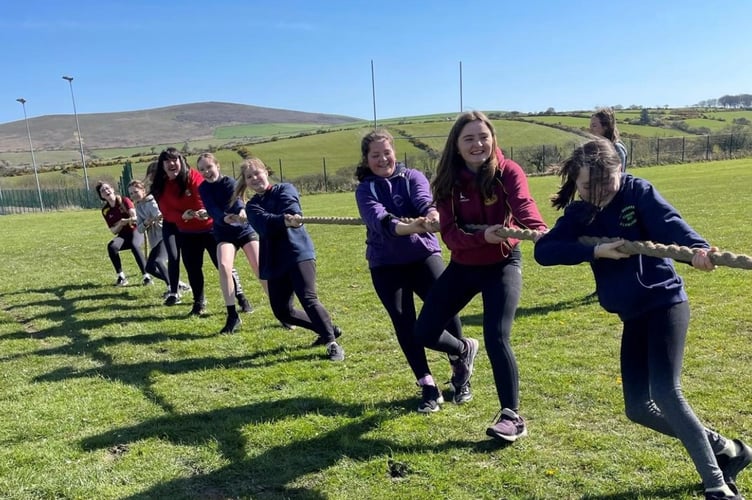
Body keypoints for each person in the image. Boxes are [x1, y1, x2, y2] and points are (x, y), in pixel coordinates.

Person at [534, 137, 751, 500]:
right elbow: (545, 250)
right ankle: (725, 448)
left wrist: (697, 248)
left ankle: (717, 485)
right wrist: (595, 250)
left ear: (620, 169)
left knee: (666, 392)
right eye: (587, 186)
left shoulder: (637, 193)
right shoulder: (581, 211)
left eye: (605, 183)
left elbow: (670, 225)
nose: (597, 193)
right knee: (638, 408)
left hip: (665, 303)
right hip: (632, 314)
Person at [414, 111, 548, 440]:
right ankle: (461, 350)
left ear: (493, 139)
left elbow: (523, 204)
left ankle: (511, 416)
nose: (478, 144)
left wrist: (538, 229)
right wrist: (480, 238)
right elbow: (449, 235)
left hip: (503, 262)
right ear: (457, 146)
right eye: (469, 138)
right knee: (425, 331)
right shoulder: (447, 181)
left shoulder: (507, 171)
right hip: (464, 264)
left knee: (496, 336)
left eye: (483, 137)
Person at [355, 129, 463, 412]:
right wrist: (409, 227)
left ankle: (459, 365)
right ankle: (427, 384)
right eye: (375, 155)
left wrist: (431, 214)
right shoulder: (365, 189)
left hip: (422, 255)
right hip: (385, 264)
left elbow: (423, 200)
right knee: (405, 323)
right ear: (366, 160)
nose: (382, 159)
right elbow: (380, 219)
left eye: (386, 153)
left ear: (395, 152)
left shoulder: (412, 176)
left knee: (445, 309)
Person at [232, 157, 344, 361]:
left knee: (308, 298)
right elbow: (264, 224)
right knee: (282, 311)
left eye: (257, 173)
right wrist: (283, 220)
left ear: (266, 171)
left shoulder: (285, 189)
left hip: (298, 252)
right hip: (274, 259)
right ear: (246, 182)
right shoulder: (252, 206)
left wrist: (288, 217)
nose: (255, 178)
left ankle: (331, 343)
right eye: (249, 177)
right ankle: (328, 328)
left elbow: (291, 208)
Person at [149, 148, 252, 316]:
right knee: (193, 268)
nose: (171, 164)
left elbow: (208, 197)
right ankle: (199, 303)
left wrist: (205, 211)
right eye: (166, 161)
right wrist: (181, 216)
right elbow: (165, 211)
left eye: (174, 160)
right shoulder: (161, 185)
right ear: (162, 166)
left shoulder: (194, 177)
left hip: (211, 229)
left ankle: (241, 298)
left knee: (223, 266)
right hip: (187, 232)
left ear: (181, 161)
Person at [196, 152, 264, 334]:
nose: (206, 172)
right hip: (223, 232)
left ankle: (281, 310)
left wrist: (241, 212)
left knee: (259, 268)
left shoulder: (229, 182)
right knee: (224, 266)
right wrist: (223, 218)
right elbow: (212, 208)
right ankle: (232, 315)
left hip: (243, 230)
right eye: (202, 169)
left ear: (217, 166)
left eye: (209, 167)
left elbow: (238, 201)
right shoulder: (202, 188)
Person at [128, 179, 190, 297]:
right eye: (131, 193)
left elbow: (161, 215)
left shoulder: (153, 201)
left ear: (143, 190)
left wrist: (156, 218)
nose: (133, 195)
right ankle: (178, 284)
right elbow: (140, 229)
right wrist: (146, 222)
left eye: (136, 192)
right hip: (155, 240)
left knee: (159, 261)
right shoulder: (138, 207)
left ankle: (172, 290)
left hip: (164, 236)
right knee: (150, 267)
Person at [95, 181, 150, 287]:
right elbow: (114, 231)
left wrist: (127, 220)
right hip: (123, 235)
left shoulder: (124, 200)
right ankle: (121, 277)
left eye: (107, 188)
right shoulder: (105, 210)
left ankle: (146, 276)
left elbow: (134, 218)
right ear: (101, 196)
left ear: (112, 189)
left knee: (134, 245)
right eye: (102, 191)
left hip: (136, 231)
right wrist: (121, 223)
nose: (106, 191)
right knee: (111, 247)